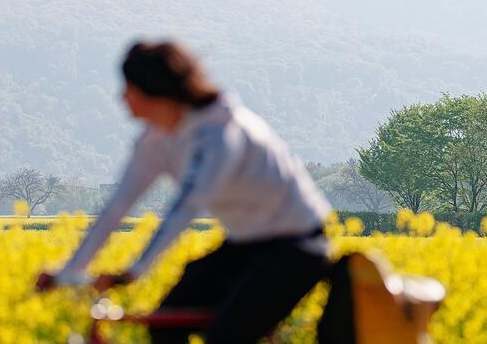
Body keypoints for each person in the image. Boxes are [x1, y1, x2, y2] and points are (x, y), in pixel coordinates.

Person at [37, 40, 333, 343]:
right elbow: (117, 206)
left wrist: (136, 270)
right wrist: (70, 270)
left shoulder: (219, 132)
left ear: (153, 90)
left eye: (129, 88)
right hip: (245, 245)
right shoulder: (156, 138)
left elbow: (188, 205)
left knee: (224, 338)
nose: (122, 97)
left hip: (298, 247)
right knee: (163, 326)